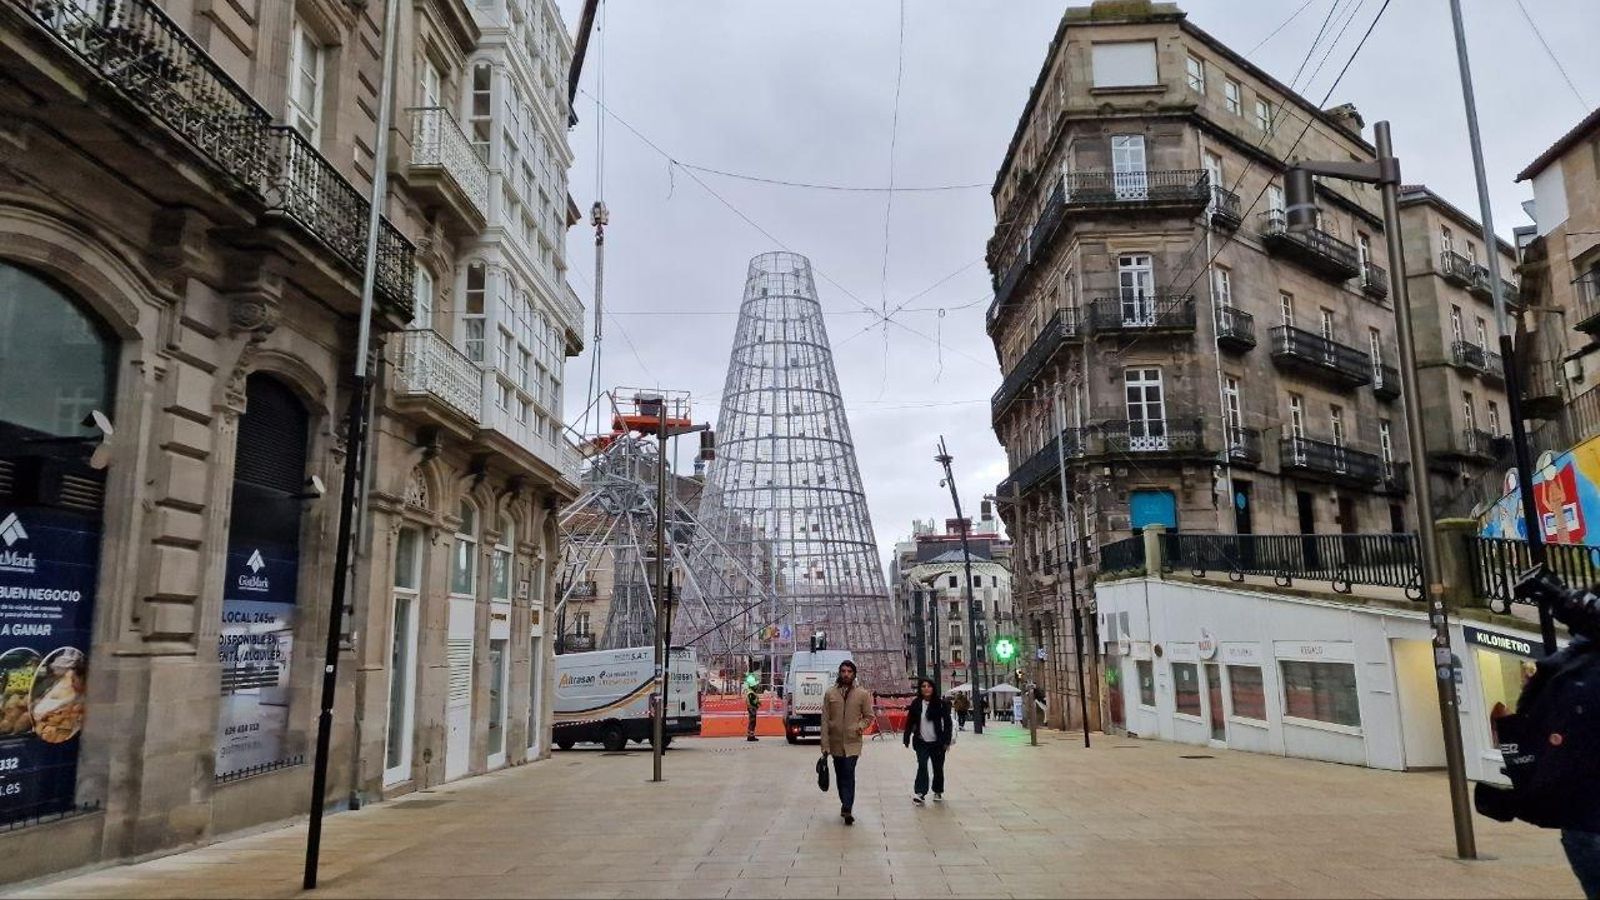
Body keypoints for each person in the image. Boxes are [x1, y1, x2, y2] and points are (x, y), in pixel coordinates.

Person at [819, 659, 873, 825]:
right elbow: (825, 720)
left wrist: (859, 726)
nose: (846, 674)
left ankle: (847, 807)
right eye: (843, 671)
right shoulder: (830, 694)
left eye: (849, 671)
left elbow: (869, 716)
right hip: (835, 743)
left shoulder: (862, 694)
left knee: (849, 773)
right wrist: (824, 745)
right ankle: (845, 802)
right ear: (839, 673)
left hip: (852, 743)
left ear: (854, 674)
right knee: (840, 774)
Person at [902, 678, 954, 804]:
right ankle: (920, 792)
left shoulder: (941, 704)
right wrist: (907, 736)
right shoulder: (916, 703)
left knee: (938, 768)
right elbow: (910, 721)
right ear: (920, 689)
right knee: (922, 766)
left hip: (937, 742)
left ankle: (937, 790)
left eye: (929, 686)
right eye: (923, 686)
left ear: (933, 688)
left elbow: (948, 723)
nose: (926, 688)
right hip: (921, 741)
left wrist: (946, 741)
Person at [744, 673, 760, 742]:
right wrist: (756, 704)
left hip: (752, 708)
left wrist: (757, 703)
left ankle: (751, 735)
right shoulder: (751, 693)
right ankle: (751, 736)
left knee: (752, 722)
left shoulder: (751, 692)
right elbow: (752, 701)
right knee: (752, 722)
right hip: (752, 709)